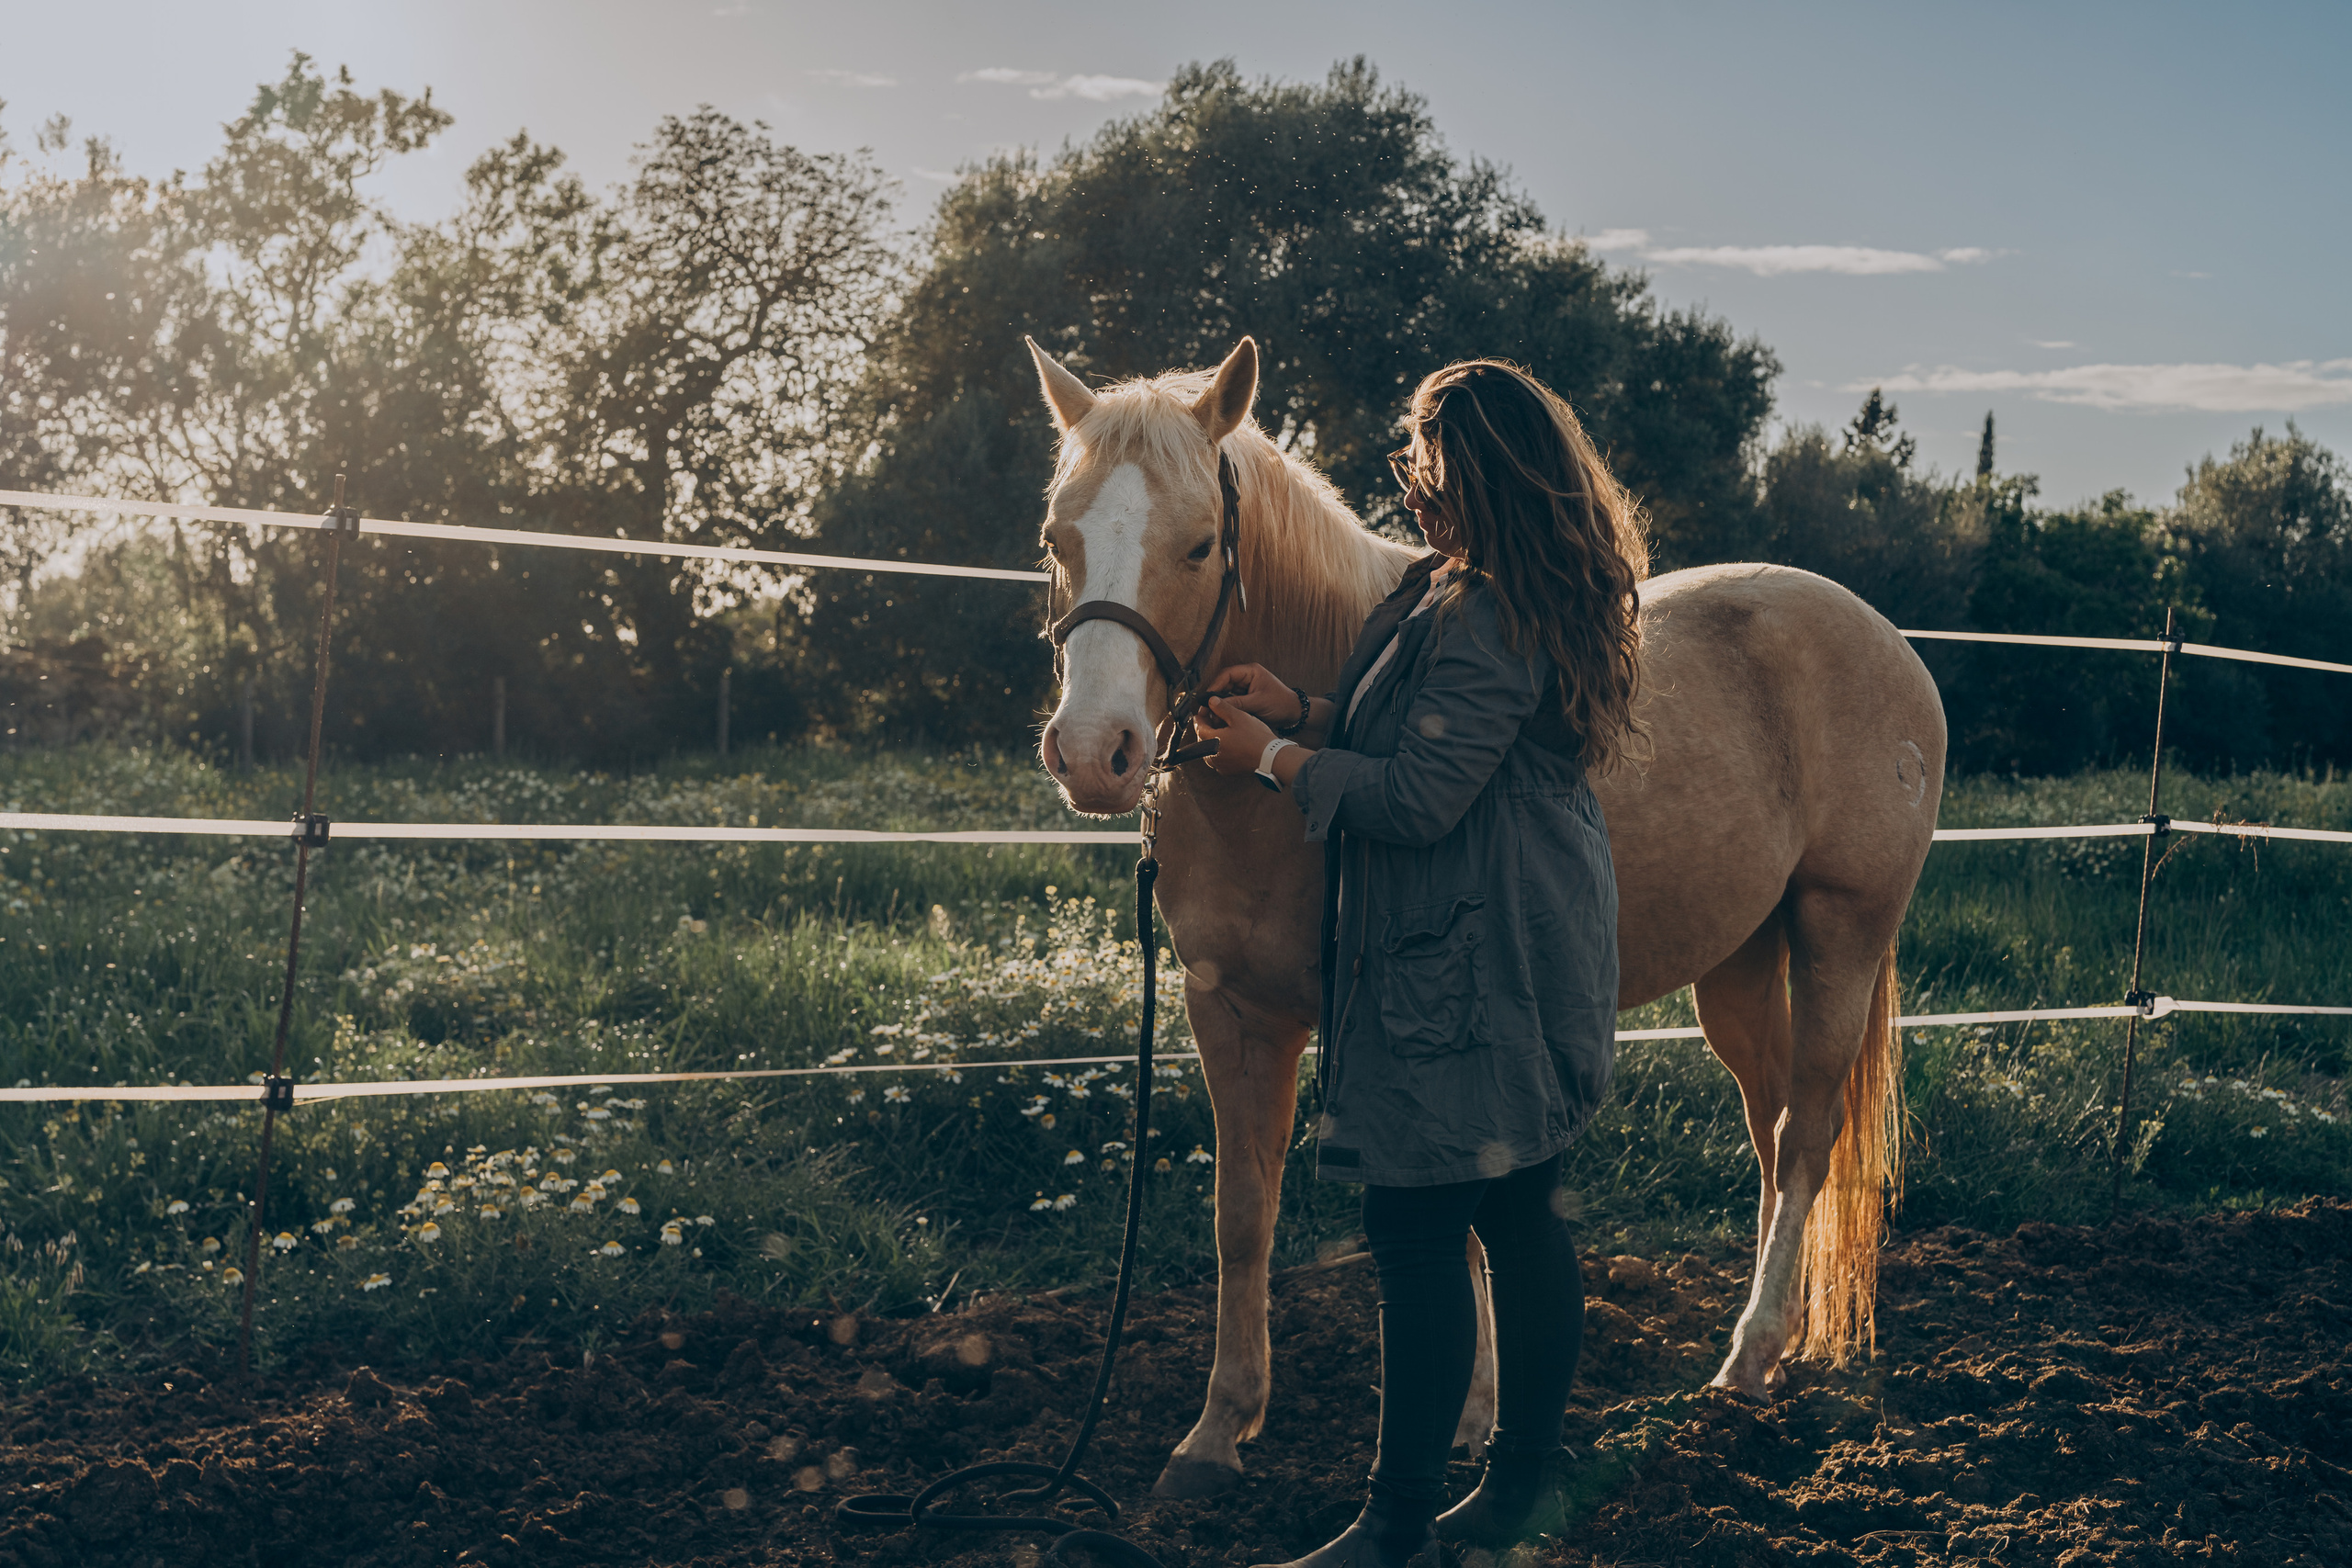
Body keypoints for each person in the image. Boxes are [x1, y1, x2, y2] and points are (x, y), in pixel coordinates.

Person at [1198, 360, 1647, 1567]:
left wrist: (1266, 762)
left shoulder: (1494, 609)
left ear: (1479, 471)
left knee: (1415, 1228)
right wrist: (1298, 705)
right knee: (1514, 1209)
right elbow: (1404, 726)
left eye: (1427, 457)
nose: (1409, 475)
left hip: (1481, 955)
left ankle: (1396, 1533)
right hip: (1482, 940)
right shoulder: (1451, 589)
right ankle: (1511, 1496)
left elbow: (1417, 797)